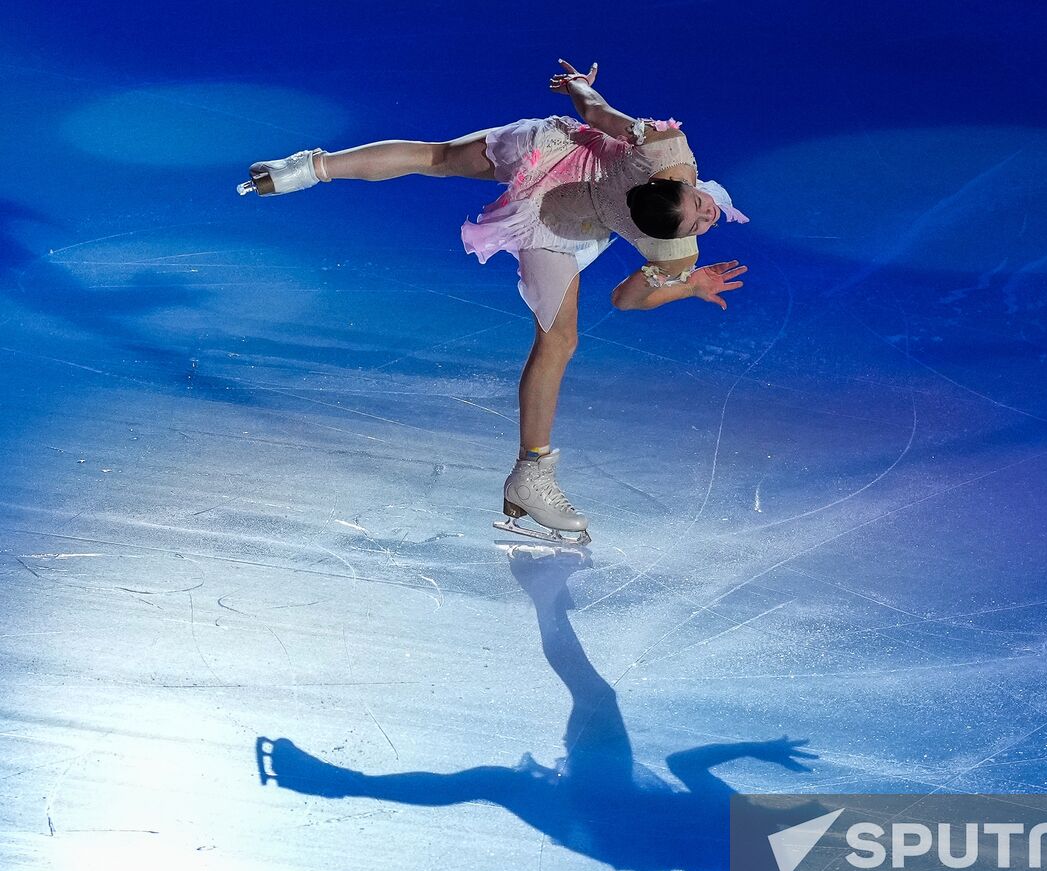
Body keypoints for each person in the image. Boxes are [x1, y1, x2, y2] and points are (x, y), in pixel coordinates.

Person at [239, 60, 749, 544]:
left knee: (553, 333)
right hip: (551, 187)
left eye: (701, 214)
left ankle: (303, 169)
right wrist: (690, 283)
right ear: (661, 196)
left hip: (555, 184)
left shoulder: (671, 197)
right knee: (440, 162)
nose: (708, 214)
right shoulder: (670, 200)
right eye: (702, 210)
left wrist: (689, 284)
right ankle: (304, 169)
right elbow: (597, 122)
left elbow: (624, 291)